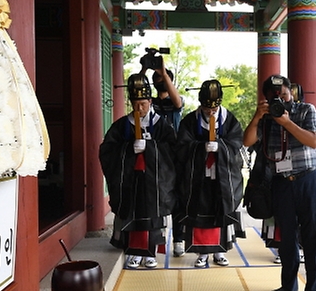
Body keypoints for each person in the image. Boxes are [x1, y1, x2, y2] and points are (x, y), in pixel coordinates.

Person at [243, 74, 316, 291]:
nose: (282, 100)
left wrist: (286, 122)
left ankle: (314, 289)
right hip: (280, 181)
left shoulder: (306, 110)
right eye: (276, 97)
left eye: (285, 95)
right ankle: (288, 284)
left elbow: (313, 141)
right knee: (286, 236)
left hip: (307, 178)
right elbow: (247, 142)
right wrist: (258, 117)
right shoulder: (266, 119)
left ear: (292, 93)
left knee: (311, 235)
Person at [99, 73, 177, 269]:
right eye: (135, 104)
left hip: (154, 180)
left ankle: (150, 252)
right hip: (130, 178)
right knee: (131, 214)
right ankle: (133, 252)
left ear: (150, 101)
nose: (139, 108)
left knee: (153, 216)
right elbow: (107, 150)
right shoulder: (122, 125)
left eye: (142, 103)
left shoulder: (162, 124)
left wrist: (150, 149)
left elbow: (173, 150)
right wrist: (127, 150)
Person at [175, 79, 245, 267]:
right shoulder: (190, 121)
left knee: (221, 211)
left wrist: (220, 147)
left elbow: (237, 142)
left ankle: (220, 251)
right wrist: (201, 148)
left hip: (222, 176)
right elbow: (181, 147)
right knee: (200, 212)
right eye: (207, 110)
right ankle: (202, 252)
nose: (211, 113)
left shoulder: (229, 119)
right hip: (199, 176)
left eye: (214, 109)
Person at [149, 66, 186, 255]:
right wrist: (144, 69)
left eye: (165, 78)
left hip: (175, 156)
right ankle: (158, 239)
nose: (161, 81)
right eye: (158, 78)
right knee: (157, 198)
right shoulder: (150, 102)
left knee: (177, 198)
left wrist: (164, 74)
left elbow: (178, 102)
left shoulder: (175, 101)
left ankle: (179, 238)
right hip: (155, 156)